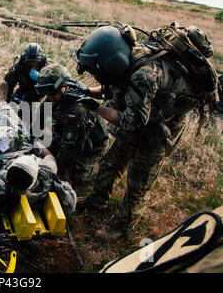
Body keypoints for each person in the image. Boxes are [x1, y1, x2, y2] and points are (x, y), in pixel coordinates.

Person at [70, 24, 219, 239]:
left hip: (161, 128)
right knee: (112, 161)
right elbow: (112, 87)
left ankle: (122, 227)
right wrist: (86, 92)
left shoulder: (145, 75)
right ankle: (97, 200)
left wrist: (96, 107)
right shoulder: (129, 62)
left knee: (139, 181)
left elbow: (132, 121)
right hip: (142, 112)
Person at [0, 104, 77, 217]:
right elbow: (50, 157)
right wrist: (35, 143)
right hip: (19, 141)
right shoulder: (46, 176)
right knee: (7, 112)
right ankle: (1, 102)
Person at [34, 63, 109, 192]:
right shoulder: (51, 97)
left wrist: (53, 172)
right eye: (45, 93)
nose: (49, 97)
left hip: (88, 149)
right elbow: (36, 126)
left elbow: (68, 151)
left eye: (52, 93)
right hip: (66, 136)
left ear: (65, 88)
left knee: (69, 178)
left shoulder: (78, 109)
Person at [0, 43, 54, 107]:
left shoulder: (48, 65)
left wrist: (41, 78)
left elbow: (56, 83)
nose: (32, 65)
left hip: (39, 94)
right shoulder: (20, 63)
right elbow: (9, 83)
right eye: (30, 62)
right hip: (23, 89)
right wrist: (6, 103)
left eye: (35, 62)